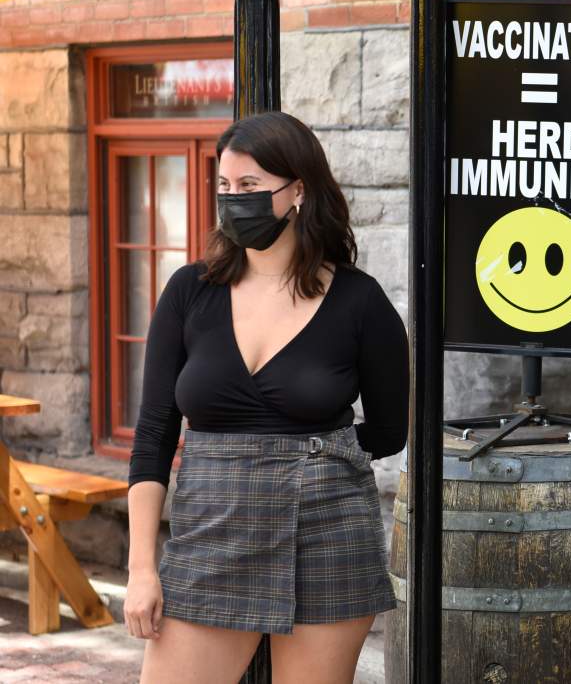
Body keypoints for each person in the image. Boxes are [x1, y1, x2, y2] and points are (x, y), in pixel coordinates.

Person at [123, 111, 409, 683]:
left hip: (327, 531)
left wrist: (311, 456)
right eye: (225, 187)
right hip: (210, 529)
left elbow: (388, 430)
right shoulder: (188, 292)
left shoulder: (359, 301)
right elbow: (154, 435)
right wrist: (140, 569)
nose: (234, 200)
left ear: (297, 190)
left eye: (250, 187)